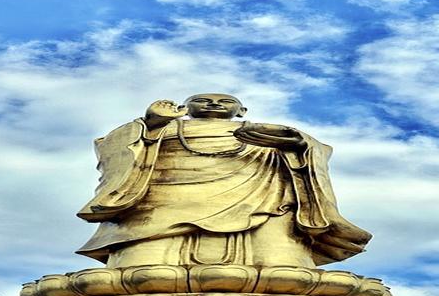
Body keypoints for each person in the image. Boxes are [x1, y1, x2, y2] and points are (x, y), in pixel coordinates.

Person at [76, 93, 371, 268]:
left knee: (285, 269)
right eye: (202, 100)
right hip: (161, 214)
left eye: (224, 101)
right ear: (185, 107)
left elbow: (315, 153)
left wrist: (297, 144)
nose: (214, 103)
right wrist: (150, 123)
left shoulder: (265, 133)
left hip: (263, 210)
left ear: (241, 111)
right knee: (140, 268)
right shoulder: (162, 130)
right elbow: (114, 149)